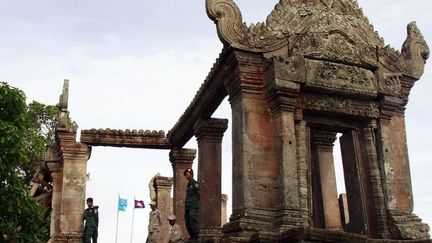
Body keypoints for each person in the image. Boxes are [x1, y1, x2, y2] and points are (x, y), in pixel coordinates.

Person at [184, 168, 199, 241]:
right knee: (187, 222)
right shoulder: (188, 185)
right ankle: (191, 236)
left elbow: (199, 194)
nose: (186, 176)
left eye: (188, 174)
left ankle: (195, 235)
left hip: (193, 206)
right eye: (186, 175)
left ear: (192, 175)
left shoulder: (195, 183)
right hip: (188, 206)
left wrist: (196, 203)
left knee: (193, 220)